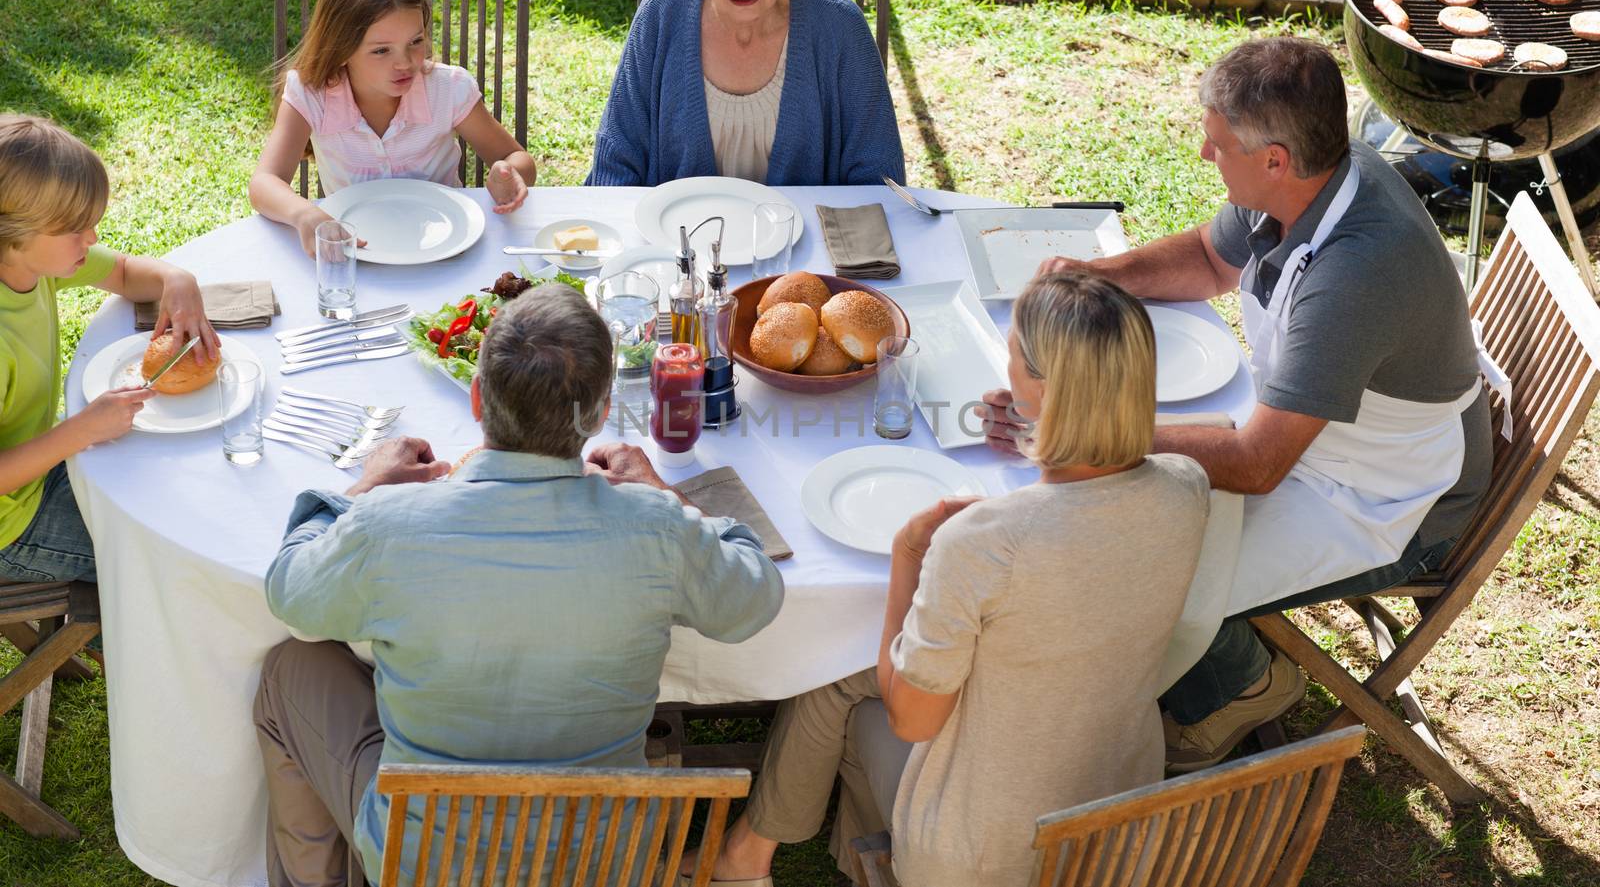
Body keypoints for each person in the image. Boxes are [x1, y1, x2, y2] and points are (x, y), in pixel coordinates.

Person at [985, 37, 1496, 771]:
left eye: (1216, 143)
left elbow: (1257, 465)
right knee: (1124, 502)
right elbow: (1206, 258)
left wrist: (1078, 429)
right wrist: (1097, 273)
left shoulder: (1355, 275)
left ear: (1275, 159)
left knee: (1135, 553)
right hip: (1319, 441)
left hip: (1389, 501)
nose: (1203, 153)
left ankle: (1240, 684)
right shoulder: (1308, 182)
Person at [252, 284, 785, 887]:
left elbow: (289, 592)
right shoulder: (656, 528)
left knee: (288, 670)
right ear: (601, 411)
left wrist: (365, 488)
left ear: (477, 399)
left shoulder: (387, 526)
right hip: (603, 864)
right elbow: (755, 596)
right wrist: (664, 494)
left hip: (430, 862)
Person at [689, 274, 1211, 887]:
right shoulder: (1186, 486)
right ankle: (754, 855)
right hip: (1118, 821)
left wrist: (911, 552)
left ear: (1042, 388)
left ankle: (749, 859)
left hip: (986, 850)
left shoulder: (985, 542)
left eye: (1011, 353)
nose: (1004, 366)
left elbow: (913, 722)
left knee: (835, 676)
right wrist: (1048, 440)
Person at [0, 114, 218, 587]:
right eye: (76, 228)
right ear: (12, 234)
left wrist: (174, 279)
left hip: (43, 465)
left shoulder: (31, 265)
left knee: (184, 490)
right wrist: (78, 431)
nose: (92, 238)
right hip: (11, 527)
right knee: (172, 558)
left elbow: (120, 272)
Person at [249, 0, 538, 256]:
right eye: (382, 50)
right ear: (341, 49)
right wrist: (304, 214)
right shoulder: (311, 92)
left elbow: (515, 157)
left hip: (444, 249)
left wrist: (509, 172)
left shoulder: (447, 89)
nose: (404, 63)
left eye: (415, 42)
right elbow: (264, 182)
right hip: (356, 252)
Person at [586, 0, 905, 187]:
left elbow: (880, 180)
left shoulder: (841, 26)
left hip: (808, 263)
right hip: (679, 258)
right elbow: (614, 169)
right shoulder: (659, 16)